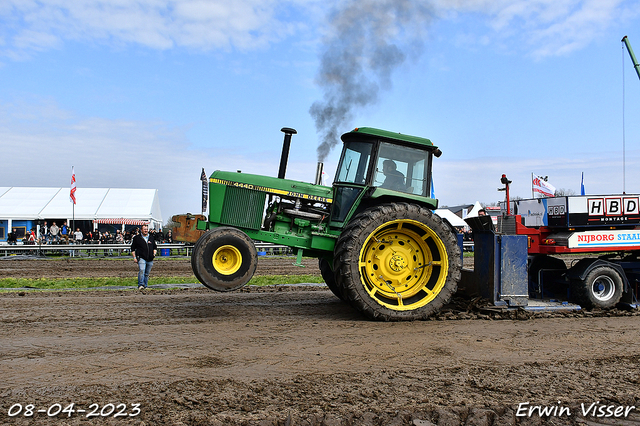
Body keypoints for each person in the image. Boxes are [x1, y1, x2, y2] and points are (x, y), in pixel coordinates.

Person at [131, 224, 157, 290]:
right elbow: (133, 248)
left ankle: (145, 285)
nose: (146, 230)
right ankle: (140, 285)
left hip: (150, 258)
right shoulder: (137, 238)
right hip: (141, 257)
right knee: (142, 270)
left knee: (147, 273)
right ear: (141, 230)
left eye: (146, 229)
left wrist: (154, 254)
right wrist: (134, 257)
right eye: (144, 229)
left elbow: (155, 247)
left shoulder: (151, 237)